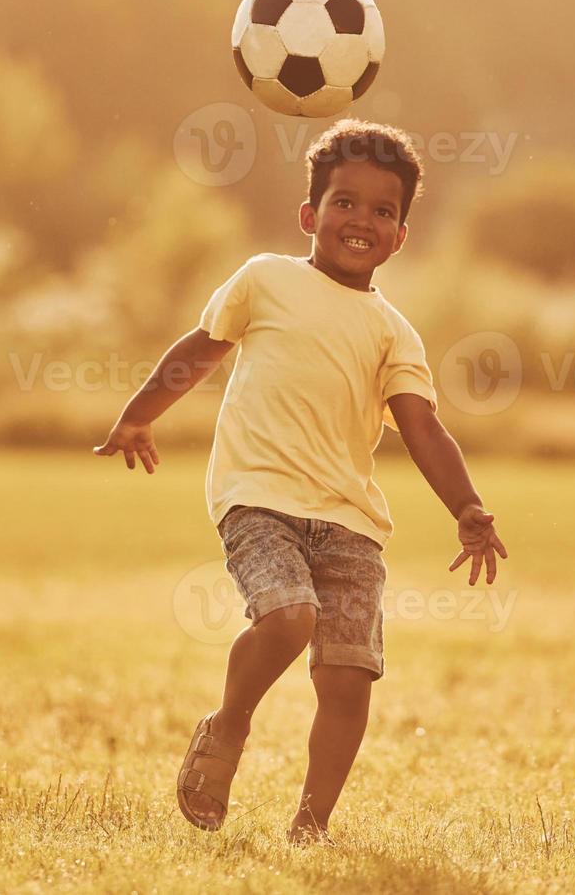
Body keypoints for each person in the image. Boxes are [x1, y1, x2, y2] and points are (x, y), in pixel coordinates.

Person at [94, 118, 508, 846]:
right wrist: (138, 415)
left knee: (348, 681)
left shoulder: (394, 332)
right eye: (345, 203)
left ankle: (310, 828)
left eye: (383, 211)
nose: (361, 221)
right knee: (288, 616)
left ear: (401, 236)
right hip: (258, 498)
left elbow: (422, 427)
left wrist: (467, 504)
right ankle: (228, 727)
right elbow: (203, 347)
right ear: (310, 215)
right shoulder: (266, 280)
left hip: (351, 521)